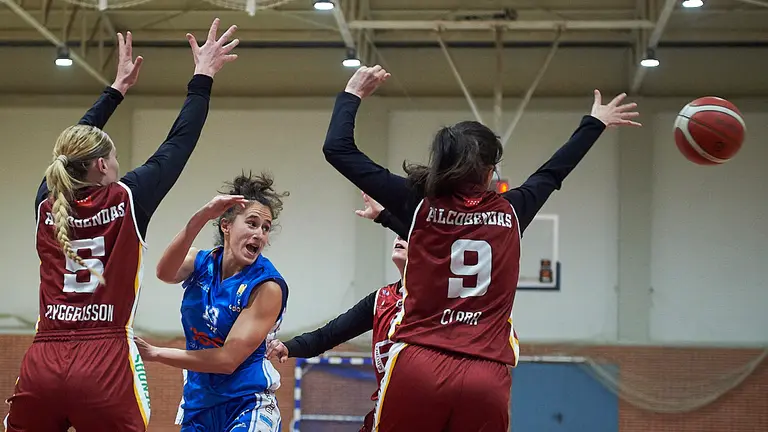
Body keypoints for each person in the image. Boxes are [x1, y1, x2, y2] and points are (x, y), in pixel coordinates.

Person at [322, 65, 642, 431]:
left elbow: (337, 149)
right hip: (485, 375)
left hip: (418, 364)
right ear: (491, 170)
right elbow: (553, 171)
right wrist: (594, 123)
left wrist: (352, 93)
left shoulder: (419, 206)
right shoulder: (513, 209)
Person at [3, 19, 238, 432]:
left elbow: (69, 148)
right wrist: (202, 78)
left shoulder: (46, 201)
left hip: (42, 358)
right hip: (105, 359)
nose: (118, 165)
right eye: (112, 158)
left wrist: (114, 92)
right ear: (101, 165)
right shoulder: (128, 199)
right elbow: (179, 142)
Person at [135, 171, 290, 432]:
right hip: (199, 403)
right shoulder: (200, 262)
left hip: (246, 404)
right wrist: (203, 215)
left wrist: (156, 353)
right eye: (252, 223)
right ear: (226, 225)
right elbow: (164, 272)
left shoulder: (267, 286)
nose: (260, 234)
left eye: (265, 228)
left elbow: (227, 360)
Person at [266, 193, 409, 432]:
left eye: (407, 234)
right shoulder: (380, 300)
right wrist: (288, 347)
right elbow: (328, 335)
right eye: (398, 232)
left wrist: (385, 216)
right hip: (386, 415)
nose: (399, 237)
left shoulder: (440, 300)